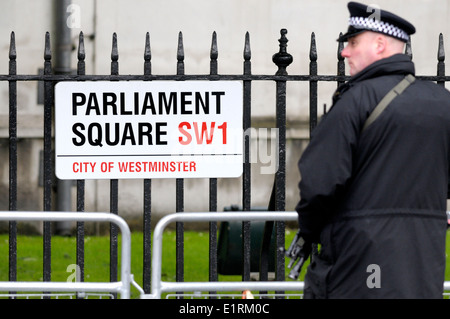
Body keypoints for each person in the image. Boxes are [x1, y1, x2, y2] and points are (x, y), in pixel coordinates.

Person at [295, 1, 450, 298]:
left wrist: (309, 230)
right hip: (422, 262)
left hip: (359, 261)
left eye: (353, 42)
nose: (344, 51)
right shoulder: (442, 102)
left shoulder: (354, 101)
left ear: (379, 45)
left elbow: (319, 183)